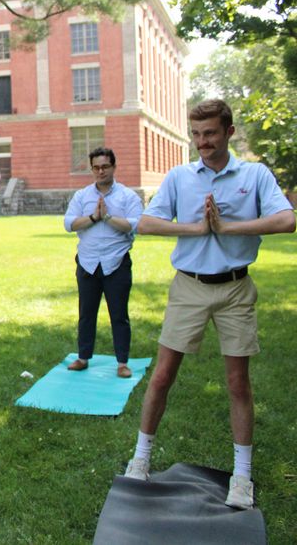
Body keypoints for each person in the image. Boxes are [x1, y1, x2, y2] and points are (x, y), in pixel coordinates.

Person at [123, 100, 294, 511]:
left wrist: (229, 228)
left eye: (211, 133)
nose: (202, 142)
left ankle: (242, 475)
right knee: (162, 376)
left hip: (235, 288)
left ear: (229, 132)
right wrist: (197, 228)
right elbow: (145, 223)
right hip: (189, 287)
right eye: (196, 134)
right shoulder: (180, 177)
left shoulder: (253, 175)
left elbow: (287, 220)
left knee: (237, 382)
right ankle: (141, 459)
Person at [63, 147, 143, 378]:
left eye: (105, 166)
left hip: (116, 262)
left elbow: (135, 225)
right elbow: (69, 224)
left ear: (114, 167)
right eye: (96, 167)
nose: (100, 171)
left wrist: (107, 217)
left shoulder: (127, 196)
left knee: (119, 315)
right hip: (87, 263)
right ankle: (83, 357)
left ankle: (122, 363)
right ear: (92, 169)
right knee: (86, 313)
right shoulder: (82, 196)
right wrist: (93, 217)